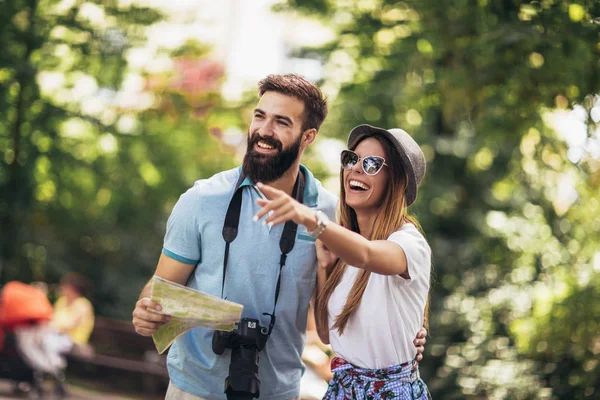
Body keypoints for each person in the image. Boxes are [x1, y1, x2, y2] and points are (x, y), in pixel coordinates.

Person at [131, 74, 427, 400]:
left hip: (279, 391)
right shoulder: (202, 199)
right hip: (194, 388)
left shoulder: (332, 216)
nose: (264, 130)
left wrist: (407, 336)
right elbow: (161, 287)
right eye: (260, 116)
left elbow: (371, 277)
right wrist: (149, 309)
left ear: (307, 136)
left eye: (281, 122)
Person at [254, 124, 432, 399]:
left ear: (396, 182)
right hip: (343, 390)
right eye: (352, 159)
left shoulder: (409, 243)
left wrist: (309, 217)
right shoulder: (343, 246)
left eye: (372, 163)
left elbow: (367, 255)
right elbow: (327, 334)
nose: (356, 169)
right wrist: (325, 267)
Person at [52, 272, 95, 350]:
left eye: (64, 286)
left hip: (75, 342)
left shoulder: (83, 305)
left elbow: (70, 325)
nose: (61, 288)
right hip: (58, 337)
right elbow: (51, 318)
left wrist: (54, 326)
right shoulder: (61, 301)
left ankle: (54, 362)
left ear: (72, 289)